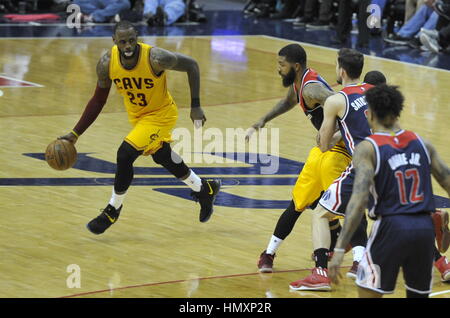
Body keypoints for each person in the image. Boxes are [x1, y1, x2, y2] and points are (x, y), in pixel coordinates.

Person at [59, 21, 221, 234]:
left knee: (125, 154)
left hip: (161, 115)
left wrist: (196, 105)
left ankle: (112, 210)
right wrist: (75, 133)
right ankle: (204, 189)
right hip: (138, 117)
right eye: (123, 41)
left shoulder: (156, 57)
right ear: (114, 41)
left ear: (138, 38)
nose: (127, 46)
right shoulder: (107, 63)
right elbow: (98, 100)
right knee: (162, 156)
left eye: (132, 41)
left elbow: (191, 65)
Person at [246, 44, 366, 275]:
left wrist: (335, 135)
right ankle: (270, 254)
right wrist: (263, 119)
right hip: (320, 152)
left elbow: (344, 105)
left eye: (282, 64)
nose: (278, 68)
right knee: (301, 202)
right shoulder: (298, 82)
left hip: (338, 152)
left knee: (347, 208)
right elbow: (289, 101)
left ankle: (356, 259)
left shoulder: (312, 89)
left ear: (296, 65)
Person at [328, 84, 450, 298]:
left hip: (390, 228)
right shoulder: (422, 144)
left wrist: (339, 249)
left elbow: (357, 202)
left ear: (369, 113)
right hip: (424, 231)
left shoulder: (367, 148)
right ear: (398, 111)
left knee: (367, 292)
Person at [290, 48, 373, 291]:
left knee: (320, 214)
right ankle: (442, 261)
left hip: (363, 165)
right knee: (386, 214)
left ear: (342, 71)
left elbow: (324, 145)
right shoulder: (373, 91)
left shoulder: (337, 100)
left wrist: (333, 134)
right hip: (388, 158)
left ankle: (319, 275)